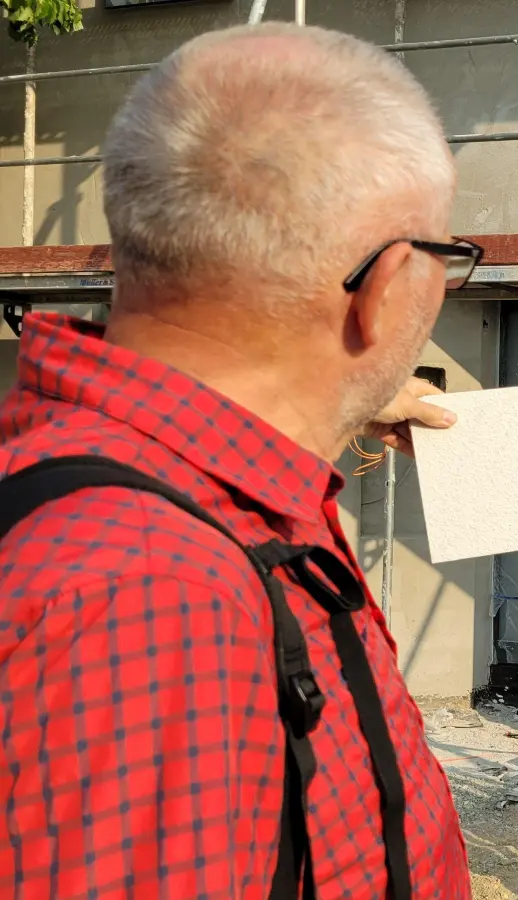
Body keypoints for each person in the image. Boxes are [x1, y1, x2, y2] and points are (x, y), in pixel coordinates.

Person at [0, 24, 475, 899]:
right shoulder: (152, 593)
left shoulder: (160, 494)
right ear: (386, 290)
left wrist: (345, 403)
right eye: (449, 261)